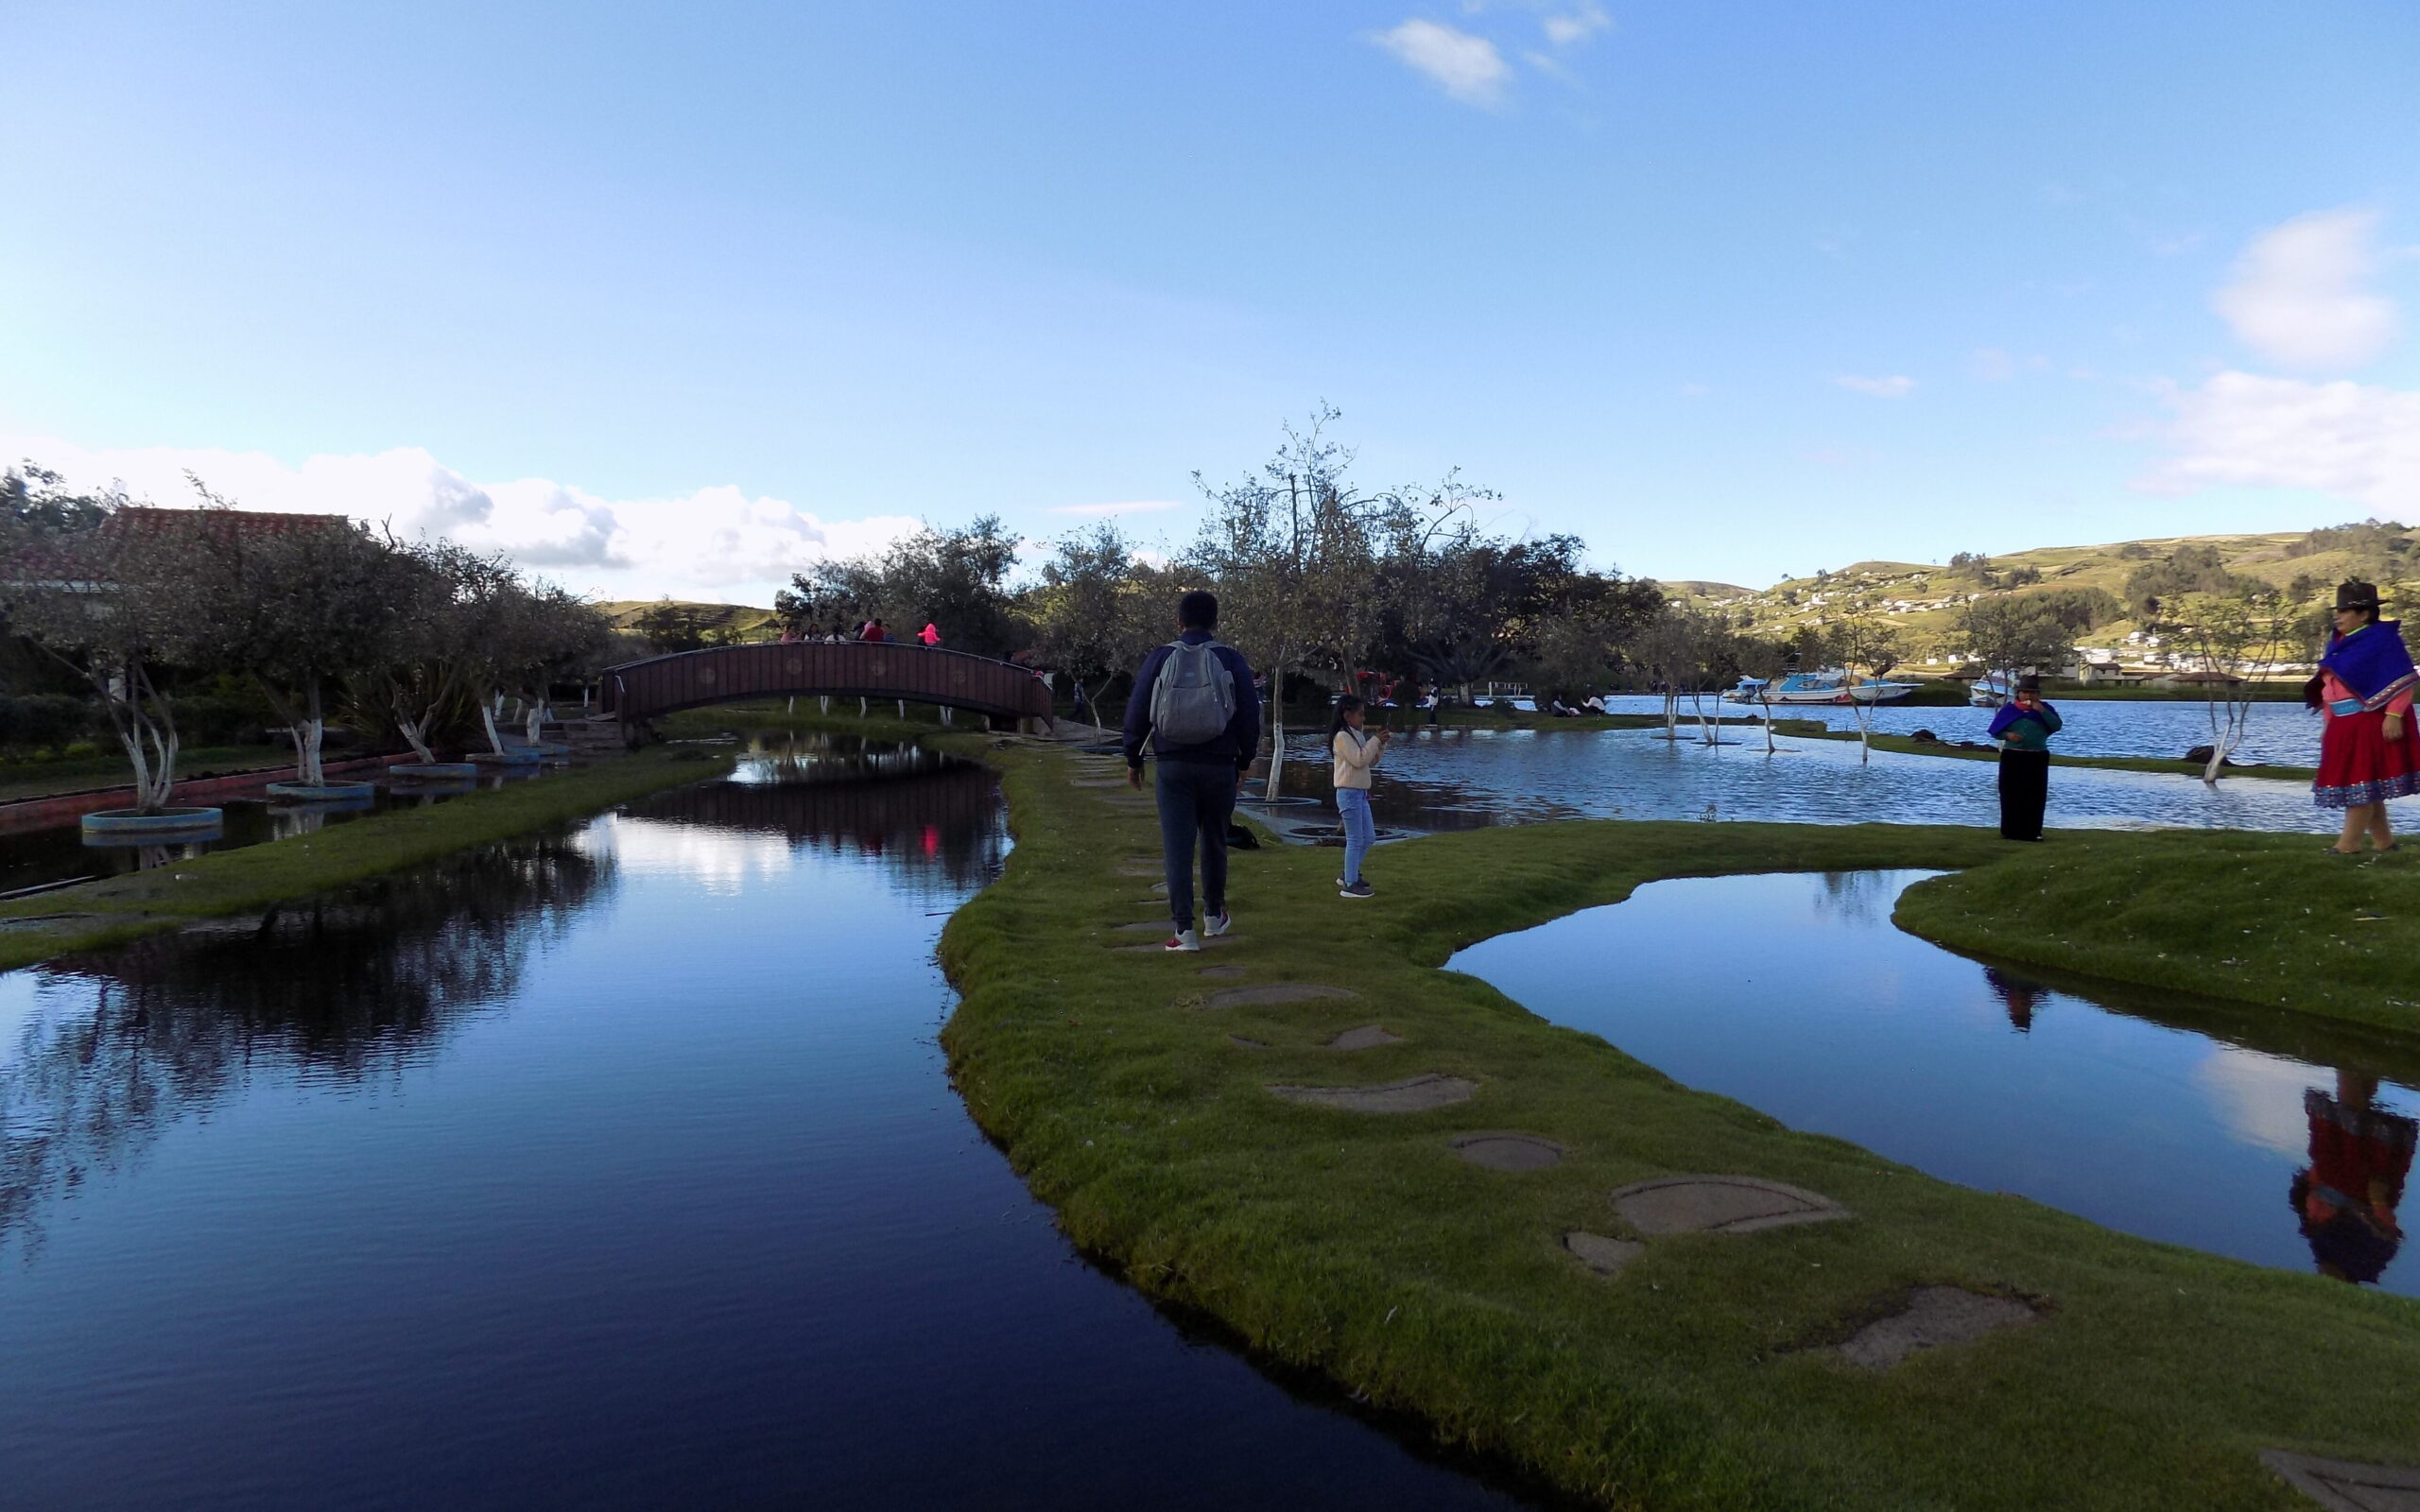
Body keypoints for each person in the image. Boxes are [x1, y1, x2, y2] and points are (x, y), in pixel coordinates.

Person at [1123, 591, 1260, 951]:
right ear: (1216, 622)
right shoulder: (1230, 658)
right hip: (1219, 766)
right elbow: (1249, 713)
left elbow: (1137, 710)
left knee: (1177, 848)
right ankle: (1214, 916)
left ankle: (1184, 932)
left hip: (1173, 766)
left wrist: (1133, 759)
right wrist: (1244, 761)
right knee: (1215, 840)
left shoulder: (1161, 657)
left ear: (1178, 622)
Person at [2310, 580, 2417, 854]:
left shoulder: (2383, 641)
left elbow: (2403, 681)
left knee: (2361, 784)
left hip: (2369, 721)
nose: (2338, 616)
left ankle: (2348, 845)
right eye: (2339, 610)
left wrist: (2393, 716)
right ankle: (2385, 842)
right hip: (2342, 723)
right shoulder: (2338, 643)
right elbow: (2328, 687)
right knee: (2368, 785)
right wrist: (2328, 723)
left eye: (2345, 610)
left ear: (2364, 613)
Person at [2291, 1069, 2413, 1285]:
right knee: (2353, 1110)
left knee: (2356, 1109)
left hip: (2334, 1165)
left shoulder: (2319, 1243)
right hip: (2360, 1179)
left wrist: (2317, 1172)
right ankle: (2350, 1063)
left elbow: (2308, 1195)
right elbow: (2387, 1233)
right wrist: (2377, 1201)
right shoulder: (2365, 1261)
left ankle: (2363, 1062)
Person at [1988, 674, 2061, 841]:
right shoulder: (2010, 710)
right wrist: (2008, 735)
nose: (2028, 696)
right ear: (2018, 693)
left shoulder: (2045, 709)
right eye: (2025, 692)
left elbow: (2056, 725)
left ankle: (2033, 831)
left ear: (2038, 695)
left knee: (2035, 794)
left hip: (2037, 756)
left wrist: (2041, 711)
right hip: (2013, 756)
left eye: (2032, 692)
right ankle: (2010, 831)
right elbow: (1995, 731)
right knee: (2011, 793)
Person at [1329, 695, 1388, 898]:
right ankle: (1350, 884)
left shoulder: (1356, 735)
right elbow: (1358, 759)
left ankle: (1349, 873)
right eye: (1360, 714)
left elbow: (1369, 761)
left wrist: (1380, 745)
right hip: (1348, 793)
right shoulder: (1342, 737)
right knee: (1355, 839)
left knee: (1369, 837)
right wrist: (1374, 740)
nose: (1363, 718)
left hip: (1360, 794)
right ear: (1347, 715)